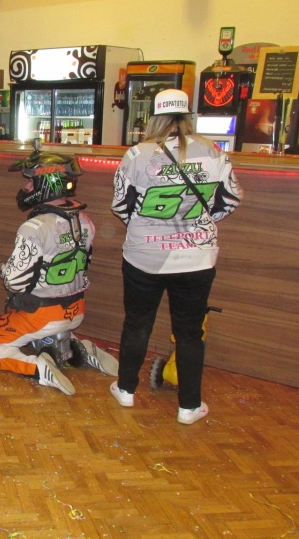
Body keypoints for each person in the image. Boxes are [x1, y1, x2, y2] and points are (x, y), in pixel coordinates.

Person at [110, 89, 242, 425]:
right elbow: (229, 200)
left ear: (154, 116)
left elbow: (121, 205)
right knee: (189, 332)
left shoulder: (137, 154)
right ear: (187, 115)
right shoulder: (214, 151)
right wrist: (198, 224)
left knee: (137, 324)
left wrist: (147, 228)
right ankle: (189, 407)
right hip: (197, 257)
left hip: (144, 256)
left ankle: (125, 390)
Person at [0, 146, 117, 395]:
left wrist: (3, 269)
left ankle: (38, 368)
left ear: (47, 183)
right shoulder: (84, 220)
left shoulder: (34, 227)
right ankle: (77, 346)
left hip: (42, 314)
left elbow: (15, 282)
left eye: (31, 182)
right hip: (76, 310)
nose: (26, 187)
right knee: (40, 331)